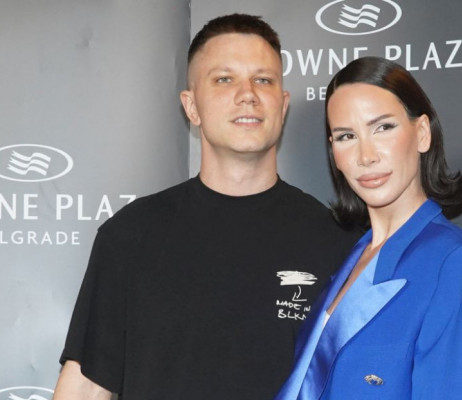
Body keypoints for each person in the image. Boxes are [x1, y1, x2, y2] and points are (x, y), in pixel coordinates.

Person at [53, 14, 359, 400]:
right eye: (224, 79)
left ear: (282, 107)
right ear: (191, 106)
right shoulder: (130, 235)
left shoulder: (337, 242)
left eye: (263, 80)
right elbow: (85, 387)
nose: (247, 94)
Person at [275, 57, 462, 399]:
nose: (366, 155)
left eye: (383, 128)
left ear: (422, 133)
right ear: (334, 152)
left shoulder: (453, 260)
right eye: (346, 136)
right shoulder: (348, 260)